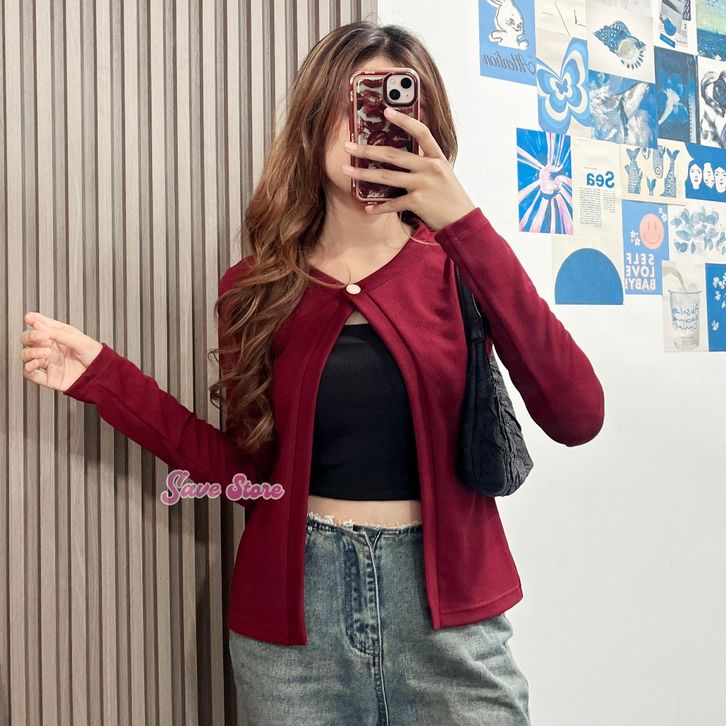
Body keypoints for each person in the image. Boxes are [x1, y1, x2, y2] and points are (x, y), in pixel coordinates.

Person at [20, 19, 605, 725]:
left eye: (400, 106)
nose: (377, 127)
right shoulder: (255, 289)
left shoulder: (462, 267)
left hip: (451, 630)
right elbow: (247, 474)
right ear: (316, 119)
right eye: (361, 103)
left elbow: (577, 416)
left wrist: (463, 223)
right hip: (296, 637)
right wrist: (105, 380)